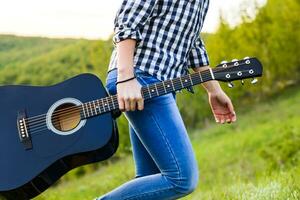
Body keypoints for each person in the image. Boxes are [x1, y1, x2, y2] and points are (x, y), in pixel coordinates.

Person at [96, 0, 236, 199]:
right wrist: (126, 76)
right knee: (181, 179)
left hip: (157, 82)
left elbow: (192, 42)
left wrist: (214, 90)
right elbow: (127, 19)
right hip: (140, 78)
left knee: (149, 180)